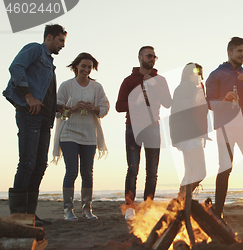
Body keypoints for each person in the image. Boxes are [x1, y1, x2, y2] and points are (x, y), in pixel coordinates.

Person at [3, 24, 67, 226]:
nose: (62, 45)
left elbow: (43, 92)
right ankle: (19, 216)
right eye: (60, 41)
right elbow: (15, 67)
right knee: (28, 162)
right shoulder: (35, 49)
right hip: (29, 114)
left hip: (44, 118)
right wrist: (28, 97)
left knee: (39, 165)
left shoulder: (50, 63)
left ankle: (30, 216)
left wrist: (55, 106)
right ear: (49, 37)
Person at [206, 37, 243, 219]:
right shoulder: (215, 75)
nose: (242, 55)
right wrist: (223, 100)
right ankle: (218, 211)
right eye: (239, 51)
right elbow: (208, 103)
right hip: (225, 127)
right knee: (225, 168)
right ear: (229, 52)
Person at [116, 46, 172, 220]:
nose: (152, 59)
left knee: (152, 172)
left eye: (154, 56)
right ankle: (130, 208)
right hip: (133, 127)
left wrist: (155, 84)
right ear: (139, 57)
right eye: (149, 56)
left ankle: (148, 207)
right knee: (133, 169)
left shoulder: (160, 79)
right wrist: (135, 102)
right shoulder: (129, 80)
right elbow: (119, 106)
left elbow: (168, 103)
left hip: (153, 127)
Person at [52, 53, 110, 221]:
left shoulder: (96, 87)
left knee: (87, 172)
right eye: (83, 66)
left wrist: (95, 108)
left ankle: (87, 209)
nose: (86, 69)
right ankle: (68, 210)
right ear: (76, 66)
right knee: (71, 171)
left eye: (89, 67)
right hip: (69, 132)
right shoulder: (66, 86)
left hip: (90, 134)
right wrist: (71, 108)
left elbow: (105, 107)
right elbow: (56, 108)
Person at [170, 63, 209, 197]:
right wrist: (195, 102)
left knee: (190, 173)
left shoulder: (194, 88)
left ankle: (181, 206)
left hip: (188, 134)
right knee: (200, 173)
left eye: (200, 73)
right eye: (195, 72)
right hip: (188, 134)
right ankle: (181, 200)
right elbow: (177, 106)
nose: (198, 76)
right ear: (188, 74)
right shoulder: (185, 87)